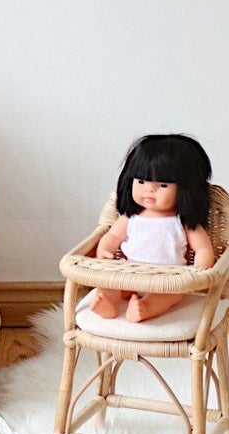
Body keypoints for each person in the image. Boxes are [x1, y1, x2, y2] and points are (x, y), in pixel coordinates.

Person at [88, 133, 215, 322]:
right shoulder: (131, 216)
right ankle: (109, 303)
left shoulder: (183, 221)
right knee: (109, 284)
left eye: (162, 185)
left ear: (186, 189)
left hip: (167, 281)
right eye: (140, 182)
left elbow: (203, 248)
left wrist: (199, 270)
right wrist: (105, 251)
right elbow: (112, 237)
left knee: (171, 295)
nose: (148, 190)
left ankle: (145, 308)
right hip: (130, 275)